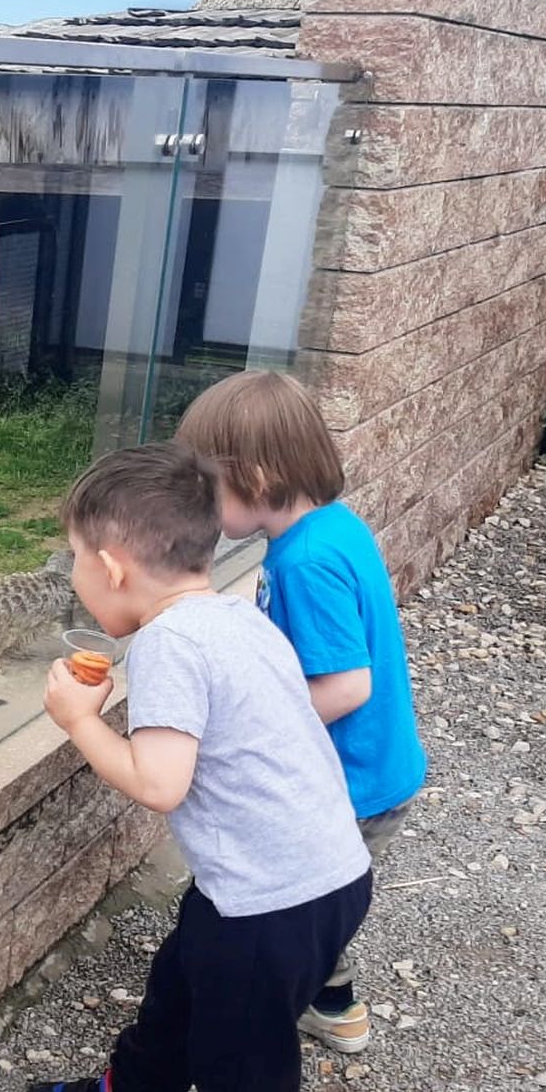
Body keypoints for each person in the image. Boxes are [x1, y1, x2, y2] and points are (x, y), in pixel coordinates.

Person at [23, 443, 371, 1092]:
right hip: (318, 874)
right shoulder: (235, 617)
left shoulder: (169, 645)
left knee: (240, 1067)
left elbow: (158, 782)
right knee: (183, 979)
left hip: (272, 900)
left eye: (76, 558)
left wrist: (79, 720)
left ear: (112, 566)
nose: (76, 575)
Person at [177, 371, 427, 1055]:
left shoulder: (305, 562)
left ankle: (232, 1054)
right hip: (374, 771)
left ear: (256, 478)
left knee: (278, 920)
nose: (198, 502)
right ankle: (333, 1004)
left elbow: (347, 686)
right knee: (316, 910)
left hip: (346, 781)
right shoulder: (331, 528)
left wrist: (250, 729)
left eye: (207, 486)